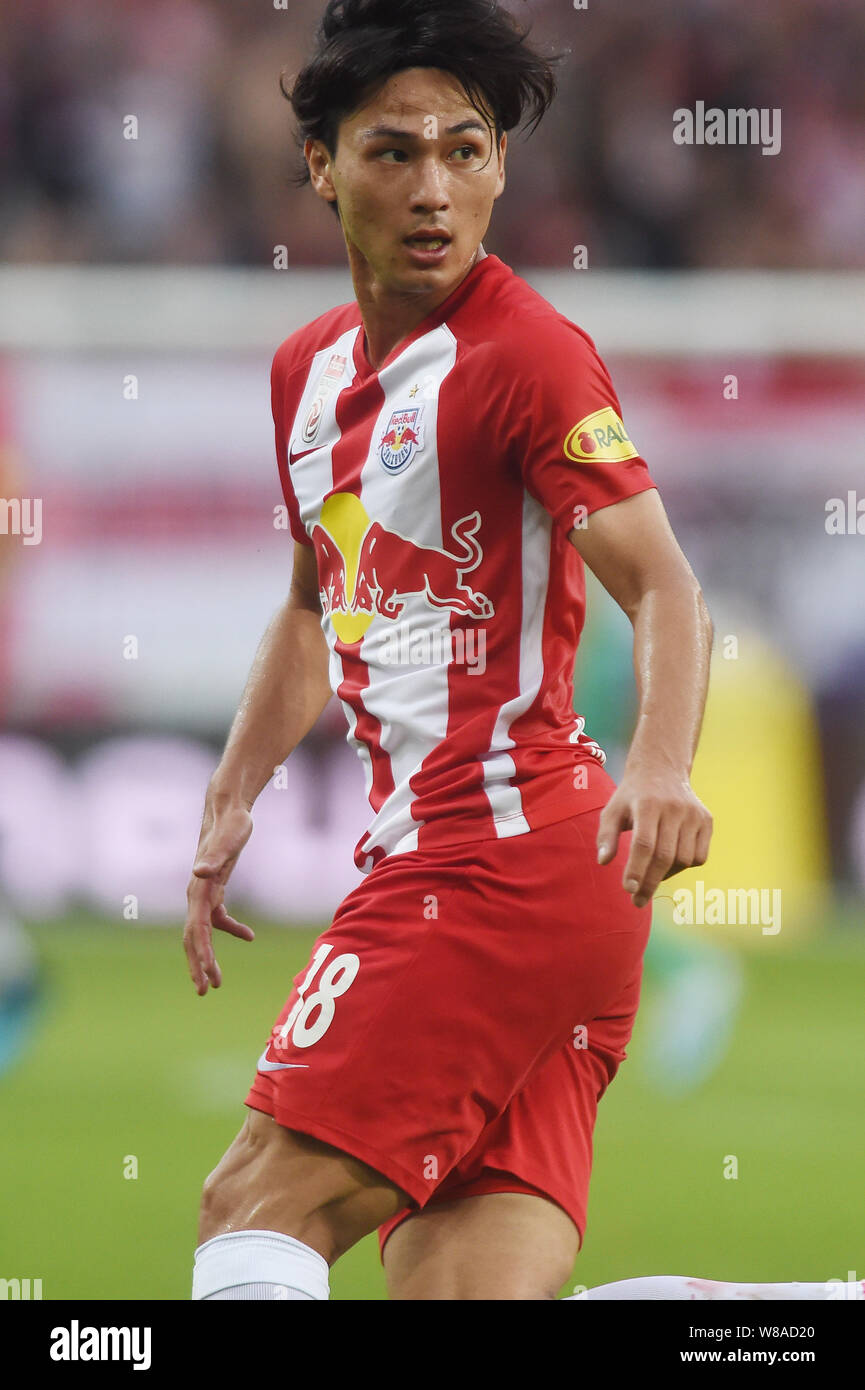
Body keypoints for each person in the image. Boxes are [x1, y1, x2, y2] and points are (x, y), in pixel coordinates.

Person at [183, 0, 808, 1303]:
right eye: (394, 151)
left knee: (255, 1201)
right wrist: (232, 793)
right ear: (320, 163)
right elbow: (312, 604)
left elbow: (666, 585)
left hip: (495, 857)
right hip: (516, 880)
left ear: (502, 167)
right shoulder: (304, 372)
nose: (433, 188)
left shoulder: (526, 355)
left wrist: (661, 767)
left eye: (465, 152)